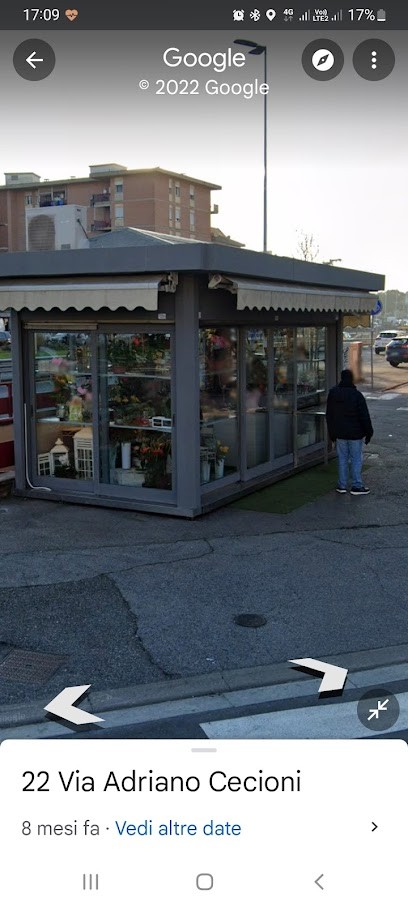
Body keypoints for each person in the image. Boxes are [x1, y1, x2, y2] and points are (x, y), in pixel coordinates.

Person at [325, 368, 373, 495]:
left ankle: (342, 485)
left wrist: (332, 433)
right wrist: (369, 432)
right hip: (355, 434)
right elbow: (364, 416)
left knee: (342, 458)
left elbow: (329, 415)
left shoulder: (333, 393)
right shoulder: (357, 395)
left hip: (340, 433)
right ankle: (356, 485)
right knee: (356, 458)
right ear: (351, 379)